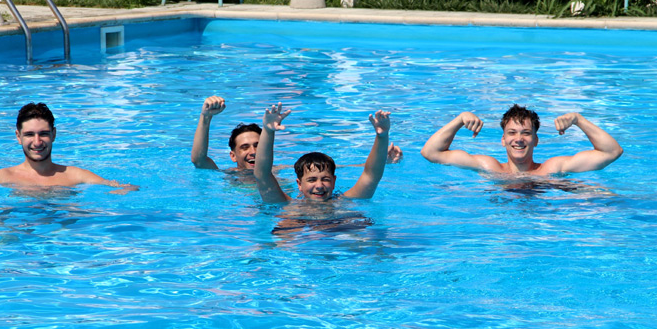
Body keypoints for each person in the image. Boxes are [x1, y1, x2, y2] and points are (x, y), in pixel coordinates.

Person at [191, 95, 403, 171]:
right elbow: (199, 160)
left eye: (257, 145)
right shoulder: (228, 176)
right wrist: (205, 117)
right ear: (233, 155)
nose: (253, 151)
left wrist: (383, 161)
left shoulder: (279, 171)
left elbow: (338, 169)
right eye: (244, 147)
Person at [0, 103, 137, 193]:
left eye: (43, 134)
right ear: (18, 137)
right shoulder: (1, 177)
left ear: (54, 134)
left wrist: (119, 193)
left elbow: (128, 187)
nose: (37, 142)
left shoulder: (75, 176)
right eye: (29, 134)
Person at [421, 104, 623, 175]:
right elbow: (430, 153)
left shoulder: (551, 169)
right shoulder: (489, 167)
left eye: (526, 133)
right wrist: (459, 119)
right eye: (512, 133)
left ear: (536, 140)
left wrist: (579, 120)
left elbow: (612, 152)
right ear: (503, 140)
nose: (518, 139)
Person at [254, 102, 393, 204]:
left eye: (325, 179)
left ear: (334, 181)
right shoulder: (288, 206)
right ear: (299, 184)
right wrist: (268, 131)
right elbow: (262, 175)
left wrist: (382, 136)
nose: (319, 186)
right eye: (312, 180)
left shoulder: (345, 203)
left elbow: (371, 175)